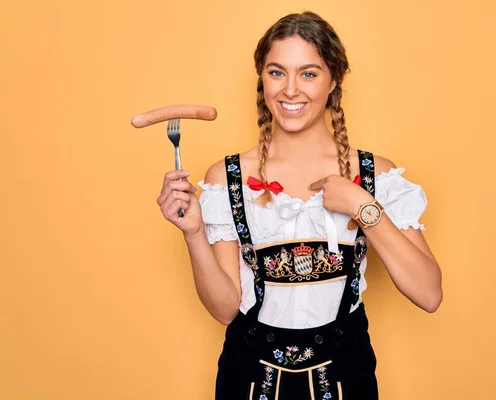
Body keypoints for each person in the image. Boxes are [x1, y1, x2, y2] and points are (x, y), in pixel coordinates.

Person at [156, 11, 443, 400]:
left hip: (346, 382)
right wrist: (193, 234)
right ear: (262, 77)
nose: (290, 90)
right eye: (277, 72)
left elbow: (428, 294)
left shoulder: (376, 176)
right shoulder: (228, 178)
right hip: (249, 382)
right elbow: (226, 310)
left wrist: (362, 205)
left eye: (308, 73)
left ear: (334, 80)